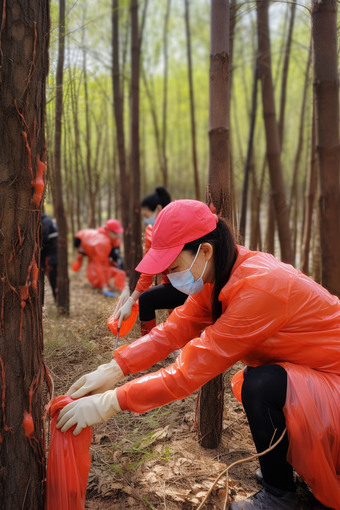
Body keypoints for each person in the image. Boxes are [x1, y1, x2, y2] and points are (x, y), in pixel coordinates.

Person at [57, 200, 340, 510]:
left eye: (174, 268)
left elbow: (187, 372)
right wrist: (113, 368)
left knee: (260, 385)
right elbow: (172, 330)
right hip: (309, 373)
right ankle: (280, 467)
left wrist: (111, 402)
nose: (172, 276)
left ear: (205, 251)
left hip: (332, 381)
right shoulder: (216, 275)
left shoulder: (259, 287)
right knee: (261, 382)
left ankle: (278, 495)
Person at [115, 187, 187, 336]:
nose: (145, 219)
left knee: (147, 299)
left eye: (147, 215)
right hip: (174, 283)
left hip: (195, 281)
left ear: (159, 209)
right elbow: (149, 270)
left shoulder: (180, 225)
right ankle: (151, 345)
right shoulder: (150, 232)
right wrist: (131, 301)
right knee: (150, 300)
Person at [73, 219, 126, 297]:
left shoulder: (112, 239)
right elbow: (99, 265)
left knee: (112, 266)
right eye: (115, 232)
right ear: (108, 231)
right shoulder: (103, 243)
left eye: (117, 233)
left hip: (92, 246)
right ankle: (101, 283)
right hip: (81, 242)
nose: (117, 235)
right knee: (98, 272)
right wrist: (104, 286)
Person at [41, 212, 58, 300]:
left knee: (53, 279)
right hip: (52, 255)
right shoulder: (47, 220)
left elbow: (43, 238)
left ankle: (58, 301)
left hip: (52, 257)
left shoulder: (46, 221)